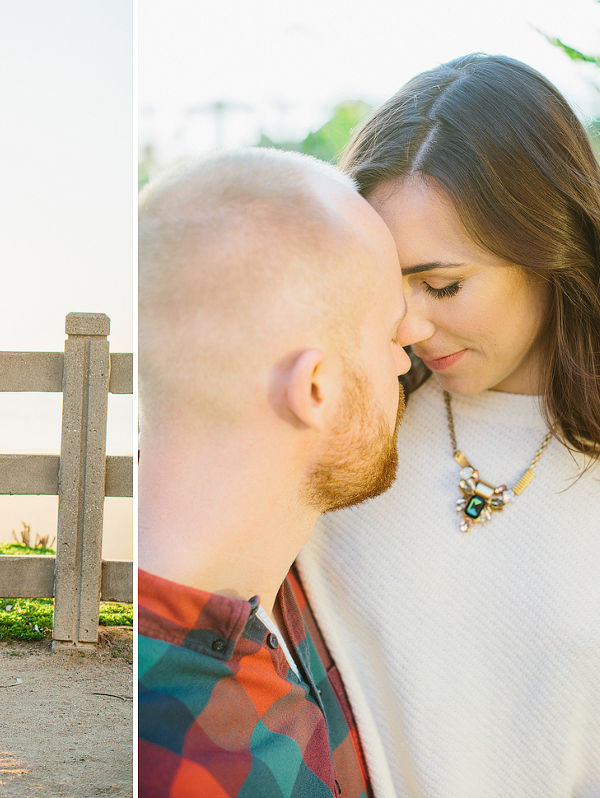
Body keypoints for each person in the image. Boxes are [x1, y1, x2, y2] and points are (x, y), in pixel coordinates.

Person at [297, 54, 600, 798]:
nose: (410, 324)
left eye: (443, 284)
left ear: (551, 248)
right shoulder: (333, 403)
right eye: (387, 284)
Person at [137, 148, 428, 798]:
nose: (408, 364)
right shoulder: (169, 755)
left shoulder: (291, 590)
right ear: (317, 389)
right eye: (390, 338)